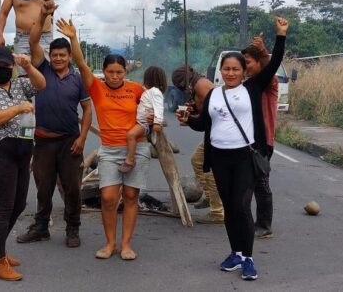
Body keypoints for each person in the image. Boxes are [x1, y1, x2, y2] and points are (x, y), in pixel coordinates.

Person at [178, 16, 288, 281]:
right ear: (221, 71)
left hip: (243, 157)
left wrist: (280, 36)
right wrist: (188, 120)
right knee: (229, 207)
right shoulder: (214, 95)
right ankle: (235, 252)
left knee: (241, 206)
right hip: (218, 157)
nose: (230, 73)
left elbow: (272, 64)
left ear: (243, 71)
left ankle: (248, 258)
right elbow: (203, 124)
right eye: (226, 69)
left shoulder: (252, 88)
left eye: (235, 69)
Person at [56, 17, 149, 261]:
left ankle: (126, 244)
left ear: (125, 70)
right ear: (104, 72)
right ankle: (110, 243)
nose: (115, 76)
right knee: (108, 198)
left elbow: (151, 112)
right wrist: (73, 38)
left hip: (136, 149)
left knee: (130, 197)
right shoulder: (97, 87)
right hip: (109, 149)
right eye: (110, 72)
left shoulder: (136, 90)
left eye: (119, 72)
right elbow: (81, 63)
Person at [16, 2, 94, 248]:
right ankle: (40, 227)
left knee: (72, 189)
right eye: (55, 54)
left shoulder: (77, 79)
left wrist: (82, 139)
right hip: (43, 142)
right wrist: (43, 14)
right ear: (50, 55)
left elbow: (88, 108)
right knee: (43, 188)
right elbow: (33, 41)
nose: (58, 58)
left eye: (63, 55)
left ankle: (73, 229)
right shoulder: (42, 69)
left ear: (69, 57)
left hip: (70, 142)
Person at [0, 46, 46, 281]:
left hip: (22, 154)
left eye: (7, 66)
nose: (3, 70)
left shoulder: (19, 84)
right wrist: (18, 108)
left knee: (19, 205)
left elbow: (41, 84)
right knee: (2, 209)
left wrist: (28, 65)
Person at [171, 65, 225, 224]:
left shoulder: (201, 86)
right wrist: (192, 109)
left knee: (210, 171)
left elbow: (208, 117)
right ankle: (209, 196)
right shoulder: (198, 84)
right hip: (213, 130)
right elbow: (203, 112)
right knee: (197, 160)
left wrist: (190, 119)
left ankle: (217, 211)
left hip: (216, 133)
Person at [242, 34, 279, 239]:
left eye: (247, 62)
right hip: (247, 142)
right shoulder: (246, 85)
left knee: (261, 183)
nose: (244, 67)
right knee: (247, 182)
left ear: (259, 63)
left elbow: (271, 67)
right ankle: (248, 222)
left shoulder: (268, 83)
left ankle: (264, 226)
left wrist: (265, 52)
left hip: (263, 143)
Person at [119, 66, 166, 173]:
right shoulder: (149, 91)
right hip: (141, 121)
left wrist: (158, 122)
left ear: (148, 79)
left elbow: (159, 107)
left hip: (143, 124)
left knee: (131, 135)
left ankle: (130, 160)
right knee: (131, 135)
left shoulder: (155, 92)